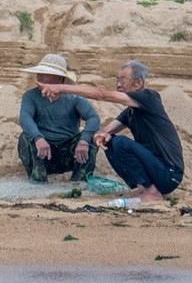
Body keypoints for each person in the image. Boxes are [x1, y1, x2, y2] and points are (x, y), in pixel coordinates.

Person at [40, 59, 183, 203]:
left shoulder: (149, 98)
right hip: (155, 171)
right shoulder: (130, 112)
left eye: (123, 79)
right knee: (110, 142)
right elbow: (106, 131)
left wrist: (60, 88)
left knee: (120, 142)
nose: (118, 84)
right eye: (117, 79)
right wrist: (100, 135)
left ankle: (153, 193)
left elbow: (102, 95)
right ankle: (142, 187)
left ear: (138, 83)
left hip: (169, 175)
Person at [17, 53, 100, 183]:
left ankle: (79, 181)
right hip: (43, 153)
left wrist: (84, 141)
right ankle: (38, 180)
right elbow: (25, 118)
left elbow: (93, 118)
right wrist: (38, 138)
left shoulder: (74, 98)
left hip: (70, 153)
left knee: (93, 138)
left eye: (46, 74)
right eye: (39, 73)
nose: (40, 77)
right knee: (25, 137)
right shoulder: (30, 96)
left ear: (60, 79)